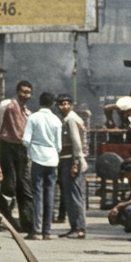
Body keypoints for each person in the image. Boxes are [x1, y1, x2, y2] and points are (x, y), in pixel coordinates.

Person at [0, 81, 33, 231]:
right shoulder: (6, 106)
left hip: (20, 150)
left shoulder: (28, 114)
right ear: (17, 92)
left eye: (28, 92)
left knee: (24, 187)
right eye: (23, 92)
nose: (25, 95)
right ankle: (0, 215)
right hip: (6, 147)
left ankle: (27, 223)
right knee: (8, 186)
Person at [23, 92, 62, 239]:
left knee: (37, 194)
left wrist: (30, 151)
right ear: (52, 104)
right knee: (50, 194)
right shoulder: (56, 120)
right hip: (52, 159)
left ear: (40, 102)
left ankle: (36, 230)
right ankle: (47, 231)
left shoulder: (33, 118)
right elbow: (59, 145)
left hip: (37, 158)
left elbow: (26, 140)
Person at [56, 95, 88, 238]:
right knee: (70, 195)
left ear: (71, 105)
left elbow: (76, 142)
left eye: (67, 104)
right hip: (69, 159)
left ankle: (79, 228)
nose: (64, 106)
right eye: (61, 104)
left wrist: (75, 162)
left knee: (74, 195)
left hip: (71, 160)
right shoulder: (69, 119)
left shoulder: (70, 119)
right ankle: (74, 226)